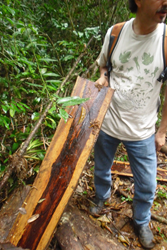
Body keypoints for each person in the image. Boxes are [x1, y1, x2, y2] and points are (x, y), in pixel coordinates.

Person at [90, 0, 167, 248]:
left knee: (147, 183)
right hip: (107, 121)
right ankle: (101, 198)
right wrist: (102, 77)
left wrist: (162, 132)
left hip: (142, 130)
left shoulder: (166, 40)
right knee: (101, 168)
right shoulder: (116, 32)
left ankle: (141, 220)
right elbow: (104, 65)